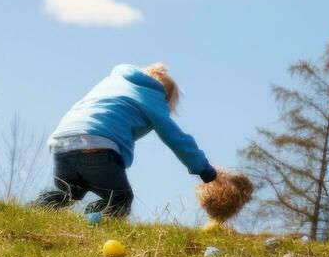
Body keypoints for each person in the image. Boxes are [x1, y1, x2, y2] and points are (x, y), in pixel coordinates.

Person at [36, 63, 216, 220]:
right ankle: (94, 225)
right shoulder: (154, 97)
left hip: (61, 143)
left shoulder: (115, 82)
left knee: (69, 193)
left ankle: (37, 211)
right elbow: (177, 139)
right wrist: (203, 168)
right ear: (166, 97)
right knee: (120, 199)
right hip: (96, 147)